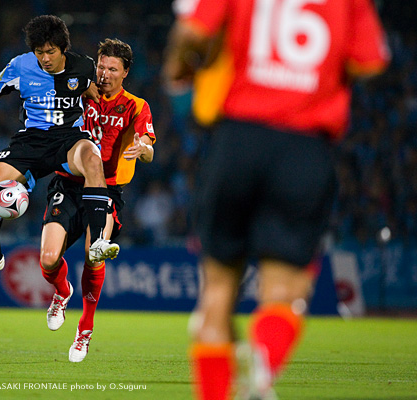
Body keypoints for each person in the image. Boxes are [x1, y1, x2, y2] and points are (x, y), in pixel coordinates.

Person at [162, 0, 389, 399]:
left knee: (216, 294)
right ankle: (264, 360)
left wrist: (180, 70)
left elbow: (192, 31)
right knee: (286, 292)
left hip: (238, 139)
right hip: (304, 147)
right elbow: (370, 62)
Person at [0, 15, 119, 282]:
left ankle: (98, 241)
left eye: (50, 52)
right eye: (39, 52)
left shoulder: (84, 66)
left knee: (92, 158)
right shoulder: (19, 66)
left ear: (63, 49)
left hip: (69, 138)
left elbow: (97, 93)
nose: (45, 58)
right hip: (31, 141)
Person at [39, 38, 155, 362]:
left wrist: (143, 149)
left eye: (113, 69)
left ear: (125, 72)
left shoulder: (135, 105)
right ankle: (62, 291)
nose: (104, 74)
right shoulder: (80, 91)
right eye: (101, 67)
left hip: (106, 190)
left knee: (94, 254)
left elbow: (148, 145)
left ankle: (85, 329)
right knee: (48, 259)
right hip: (68, 184)